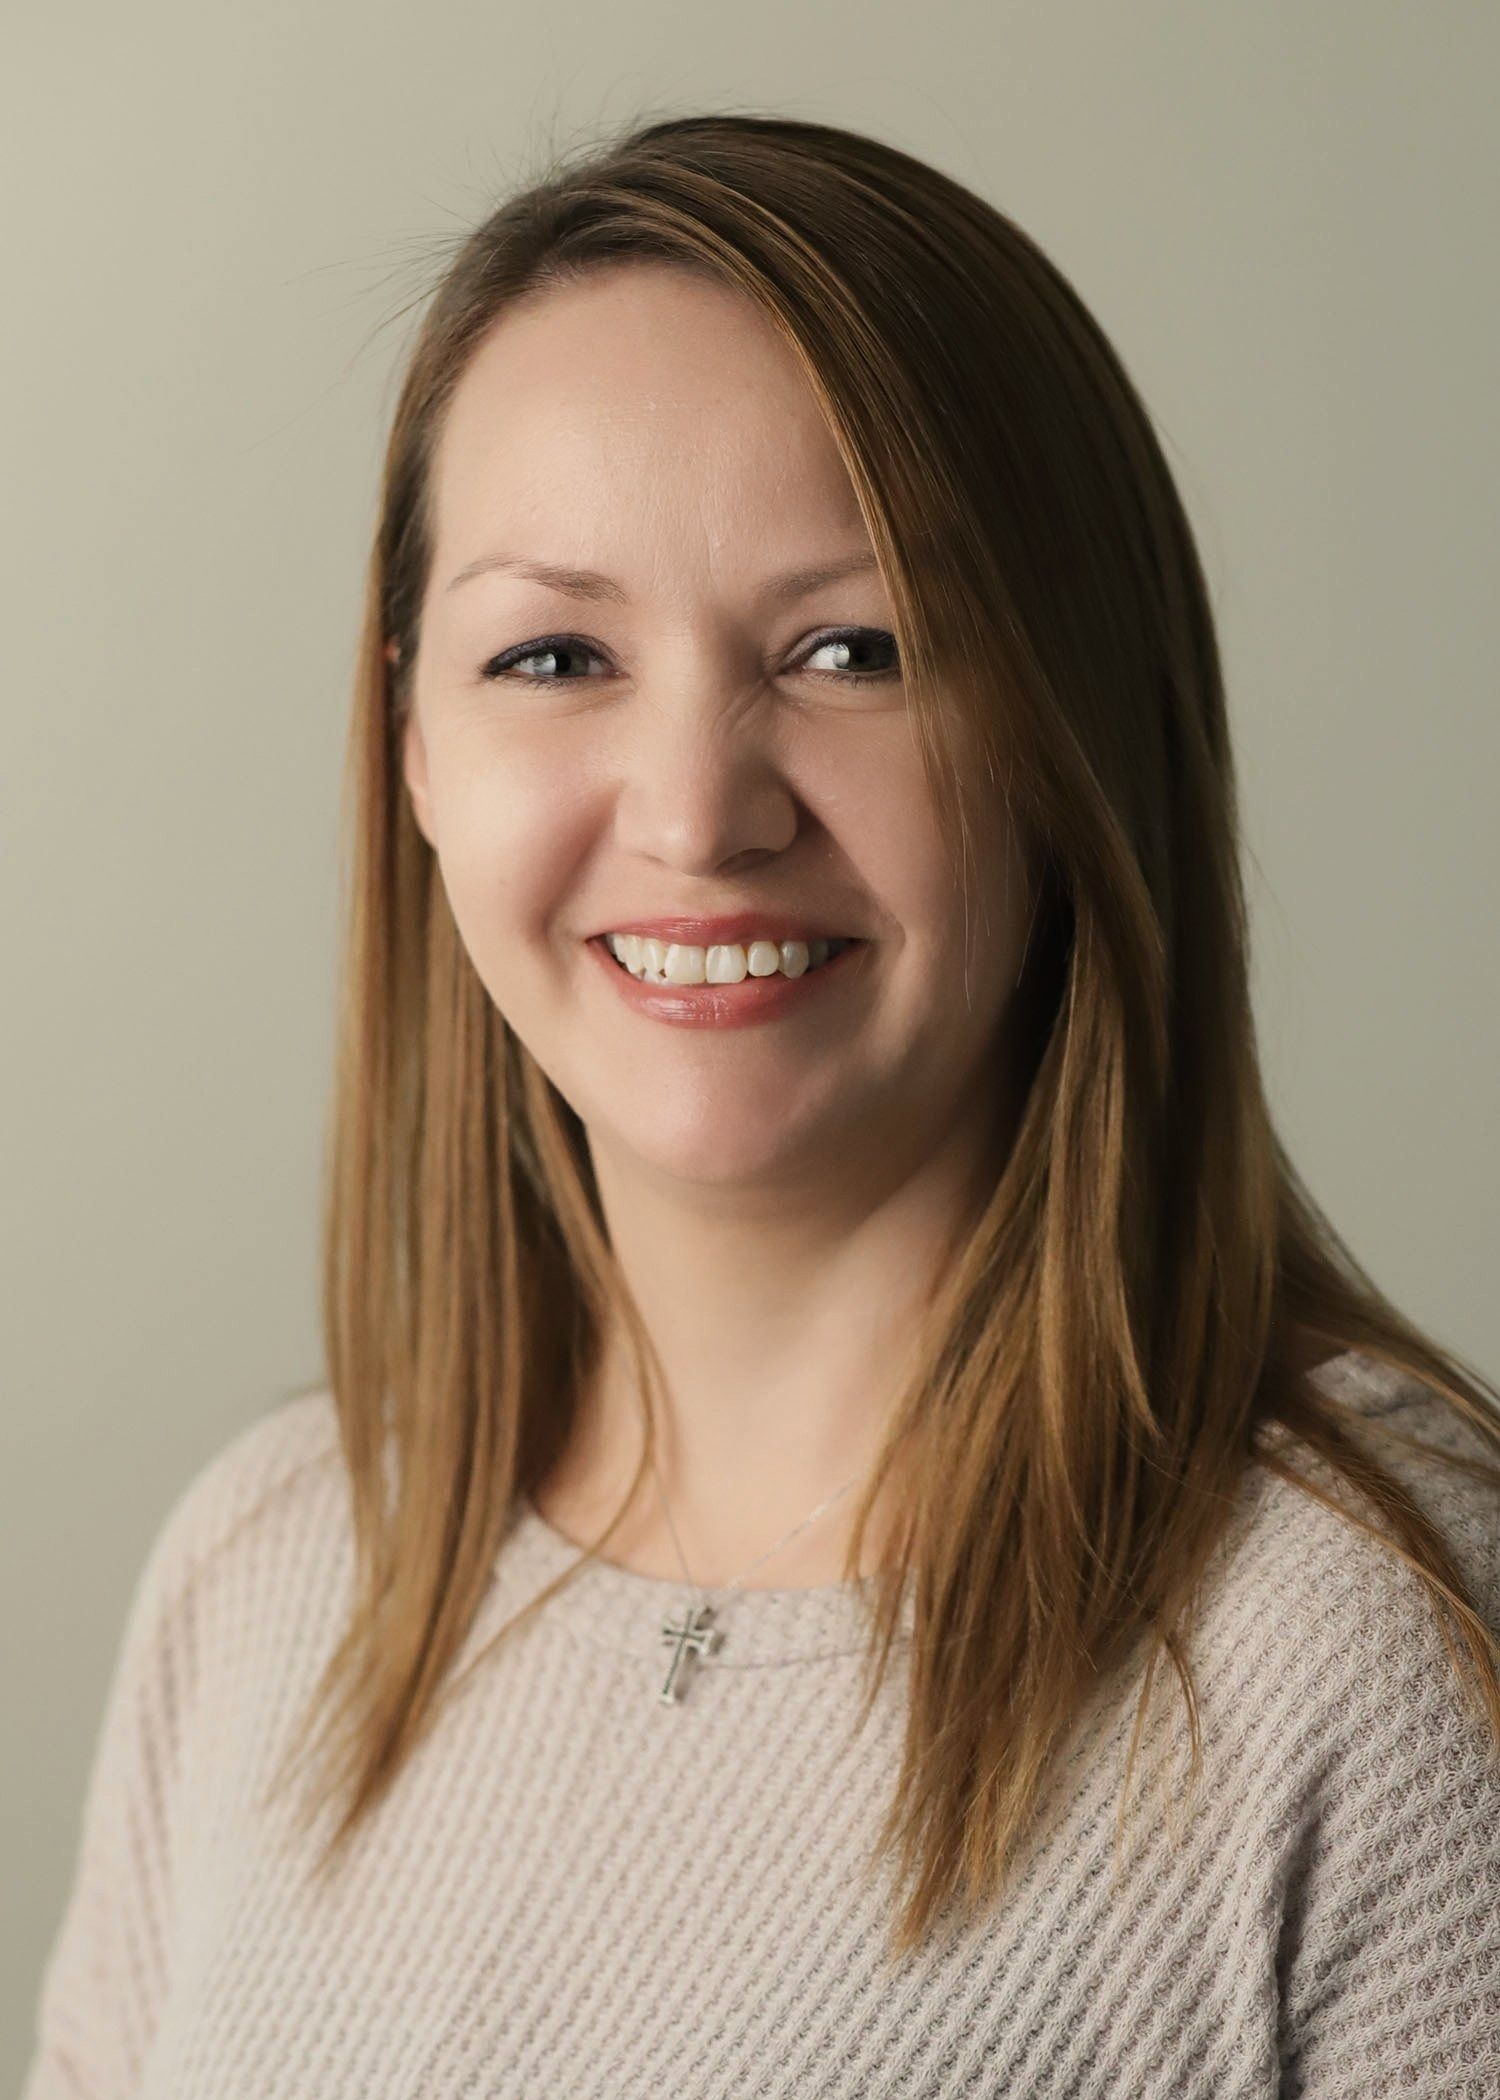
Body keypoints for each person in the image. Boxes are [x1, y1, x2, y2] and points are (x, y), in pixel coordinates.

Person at [22, 110, 1500, 2099]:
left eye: (853, 650)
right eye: (557, 654)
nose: (700, 813)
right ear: (413, 750)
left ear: (1075, 729)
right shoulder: (268, 1570)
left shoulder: (1376, 1645)